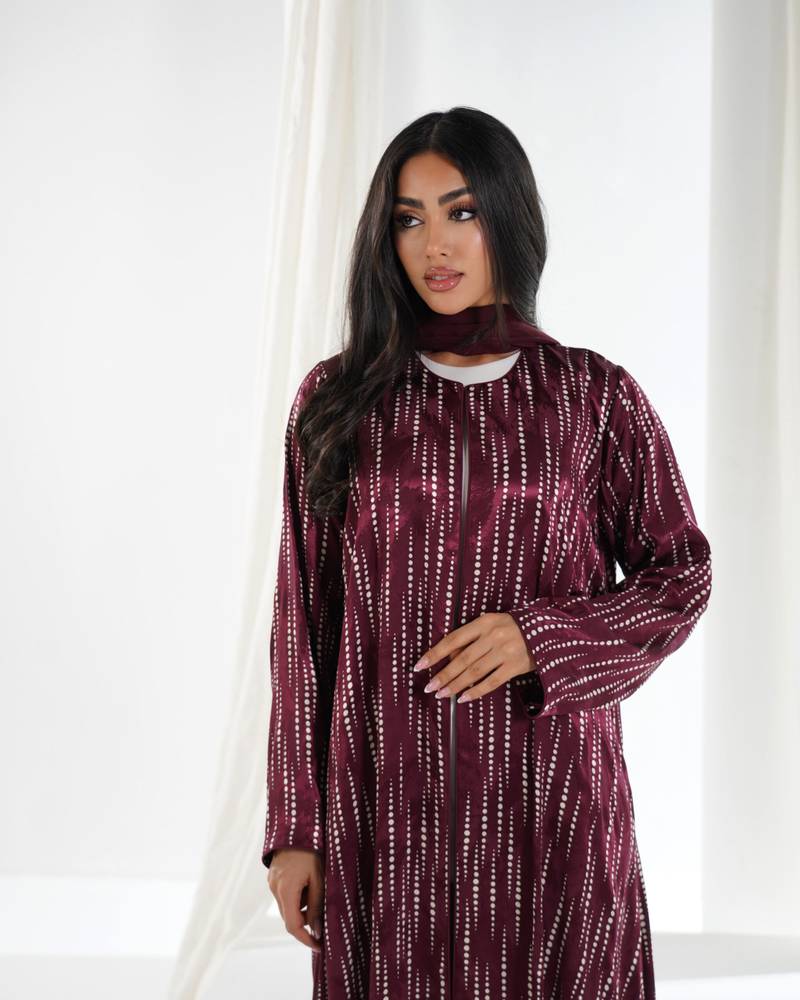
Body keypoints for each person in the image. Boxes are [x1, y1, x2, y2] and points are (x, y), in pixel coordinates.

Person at [261, 106, 712, 1000]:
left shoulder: (592, 397)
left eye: (461, 212)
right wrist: (295, 829)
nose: (435, 244)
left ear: (508, 215)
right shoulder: (341, 400)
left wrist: (542, 638)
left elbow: (681, 573)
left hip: (552, 799)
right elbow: (302, 623)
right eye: (409, 218)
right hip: (388, 803)